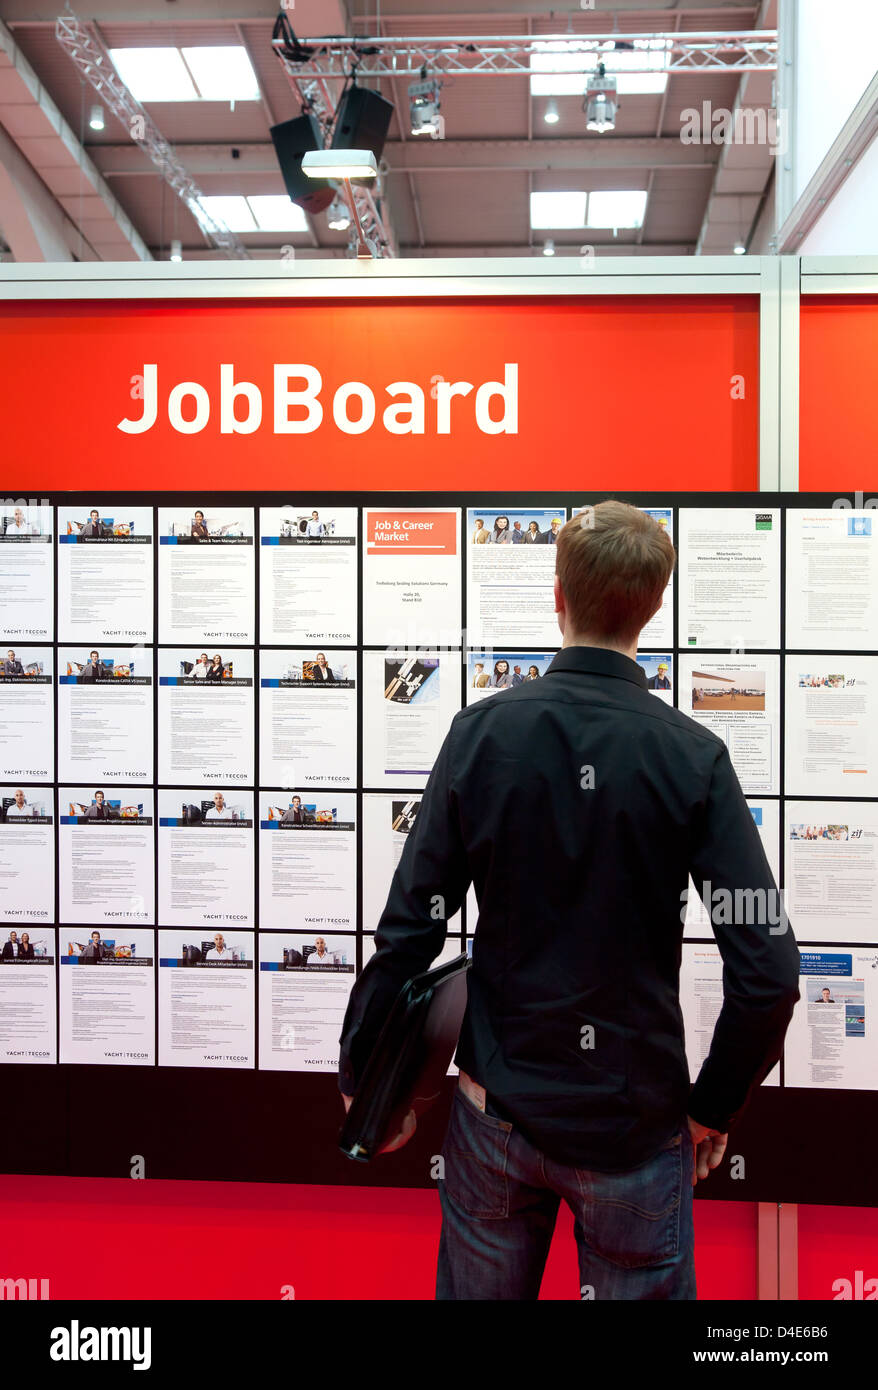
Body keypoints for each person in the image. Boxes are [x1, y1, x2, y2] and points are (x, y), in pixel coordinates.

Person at [339, 500, 800, 1302]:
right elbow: (767, 971)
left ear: (559, 595)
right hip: (636, 1133)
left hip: (496, 1118)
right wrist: (710, 1108)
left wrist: (365, 1078)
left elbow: (409, 925)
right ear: (654, 607)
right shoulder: (693, 758)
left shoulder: (481, 734)